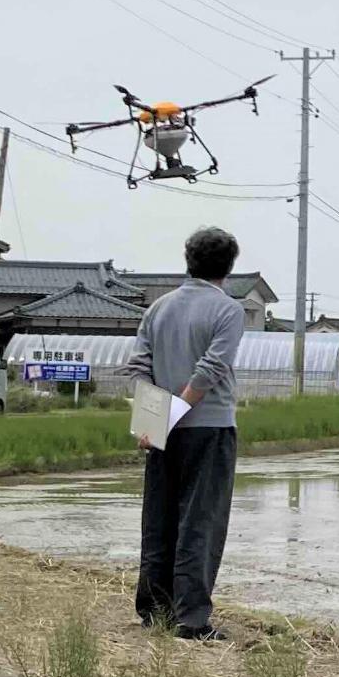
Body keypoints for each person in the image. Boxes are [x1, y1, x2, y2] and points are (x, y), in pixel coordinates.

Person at [121, 227, 246, 641]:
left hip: (161, 429)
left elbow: (139, 365)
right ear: (229, 267)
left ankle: (154, 609)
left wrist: (155, 420)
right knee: (200, 521)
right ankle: (191, 619)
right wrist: (176, 411)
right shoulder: (228, 310)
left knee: (159, 518)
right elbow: (210, 370)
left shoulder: (158, 308)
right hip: (209, 429)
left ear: (187, 259)